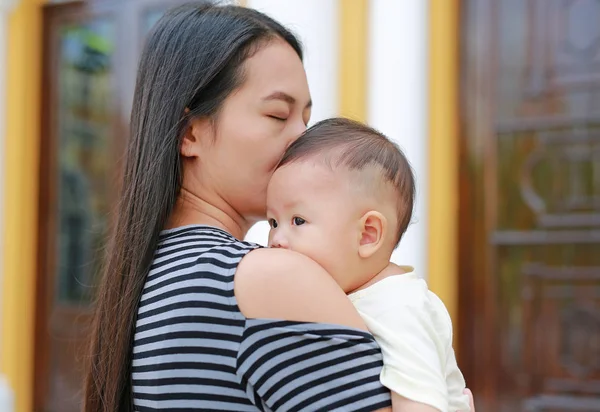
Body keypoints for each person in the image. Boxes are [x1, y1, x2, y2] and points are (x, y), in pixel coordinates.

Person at [84, 3, 475, 411]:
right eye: (277, 114)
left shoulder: (148, 280)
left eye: (306, 120)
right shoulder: (271, 278)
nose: (300, 140)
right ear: (190, 133)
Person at [266, 118, 470, 412]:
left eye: (298, 221)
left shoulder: (398, 307)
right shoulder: (343, 298)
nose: (276, 239)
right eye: (273, 222)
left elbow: (421, 404)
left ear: (367, 234)